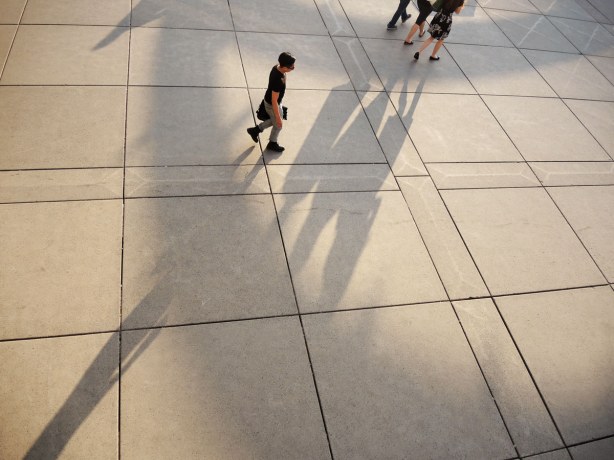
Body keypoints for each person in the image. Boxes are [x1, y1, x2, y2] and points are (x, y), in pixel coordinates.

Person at [247, 52, 296, 153]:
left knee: (277, 121)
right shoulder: (277, 81)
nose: (293, 68)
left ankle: (255, 130)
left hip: (276, 101)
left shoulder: (277, 67)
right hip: (272, 104)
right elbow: (274, 101)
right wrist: (278, 117)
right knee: (278, 124)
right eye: (292, 67)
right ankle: (272, 143)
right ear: (285, 67)